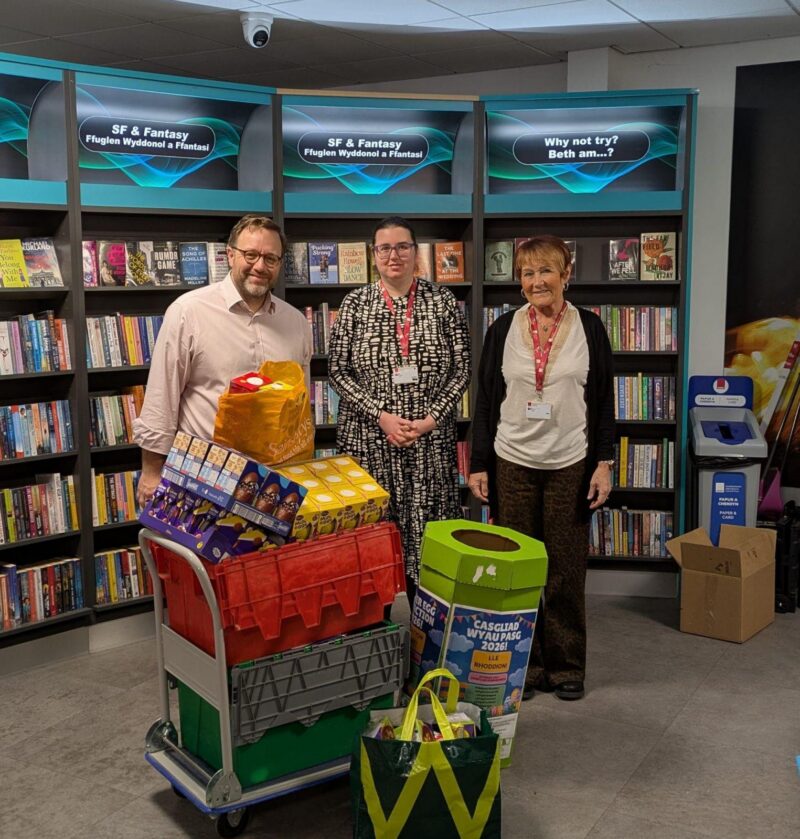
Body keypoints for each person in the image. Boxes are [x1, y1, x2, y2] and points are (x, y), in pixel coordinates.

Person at [468, 234, 614, 702]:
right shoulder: (502, 330)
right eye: (528, 274)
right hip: (512, 460)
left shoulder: (590, 328)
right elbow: (487, 401)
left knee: (566, 571)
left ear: (566, 274)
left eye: (546, 271)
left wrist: (604, 463)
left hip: (570, 461)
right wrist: (479, 463)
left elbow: (604, 404)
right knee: (518, 570)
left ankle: (566, 666)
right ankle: (524, 666)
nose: (537, 281)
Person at [328, 216, 471, 605]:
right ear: (375, 255)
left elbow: (462, 371)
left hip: (428, 446)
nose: (394, 255)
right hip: (370, 445)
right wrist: (381, 415)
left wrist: (428, 421)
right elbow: (337, 371)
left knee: (428, 547)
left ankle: (427, 640)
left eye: (403, 247)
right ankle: (380, 638)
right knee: (373, 545)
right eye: (385, 248)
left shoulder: (442, 302)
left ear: (415, 252)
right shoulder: (355, 304)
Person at [133, 215, 312, 507]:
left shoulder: (296, 323)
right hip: (204, 478)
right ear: (230, 254)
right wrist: (152, 471)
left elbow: (299, 407)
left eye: (270, 258)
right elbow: (160, 398)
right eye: (250, 255)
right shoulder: (188, 312)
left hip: (275, 483)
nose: (259, 266)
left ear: (280, 264)